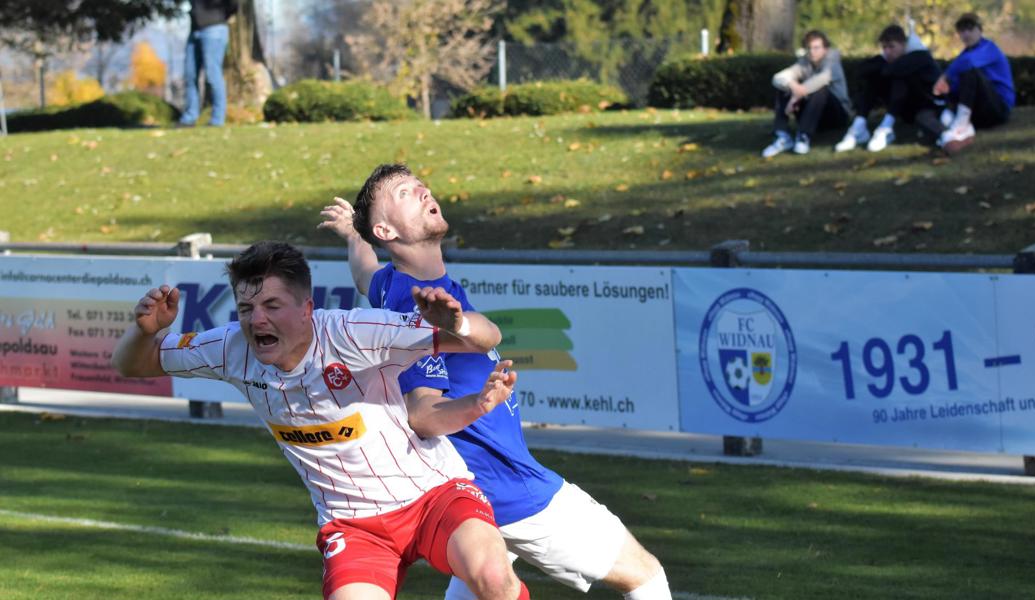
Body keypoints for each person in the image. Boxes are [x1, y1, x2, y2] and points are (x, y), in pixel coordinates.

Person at [318, 164, 672, 600]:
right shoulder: (412, 313)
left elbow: (364, 274)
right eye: (406, 192)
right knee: (645, 575)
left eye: (420, 184)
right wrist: (481, 404)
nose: (423, 189)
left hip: (470, 498)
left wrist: (353, 235)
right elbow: (422, 415)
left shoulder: (399, 284)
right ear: (387, 229)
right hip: (506, 488)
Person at [111, 241, 530, 600]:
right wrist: (143, 330)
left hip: (433, 495)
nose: (257, 319)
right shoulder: (230, 347)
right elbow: (133, 363)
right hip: (353, 524)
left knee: (493, 577)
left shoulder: (354, 332)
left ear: (307, 307)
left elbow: (486, 336)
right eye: (246, 307)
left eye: (272, 305)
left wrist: (455, 321)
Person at [835, 24, 943, 153]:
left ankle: (886, 128)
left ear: (903, 44)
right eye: (884, 47)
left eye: (891, 47)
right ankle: (859, 125)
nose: (887, 52)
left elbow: (891, 70)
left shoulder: (920, 56)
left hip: (927, 107)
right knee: (873, 79)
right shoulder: (891, 59)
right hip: (905, 108)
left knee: (899, 77)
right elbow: (862, 71)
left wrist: (881, 66)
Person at [933, 12, 1015, 154]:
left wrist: (944, 76)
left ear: (980, 29)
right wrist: (946, 88)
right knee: (950, 88)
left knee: (970, 71)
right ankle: (962, 128)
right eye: (962, 30)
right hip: (979, 111)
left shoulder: (990, 48)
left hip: (998, 108)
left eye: (970, 28)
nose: (966, 34)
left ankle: (960, 124)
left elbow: (968, 63)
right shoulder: (963, 55)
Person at [762, 30, 852, 158]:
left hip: (837, 115)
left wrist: (795, 98)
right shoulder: (804, 63)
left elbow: (821, 80)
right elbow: (778, 78)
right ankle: (782, 135)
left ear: (825, 49)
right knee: (785, 87)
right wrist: (792, 85)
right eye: (809, 48)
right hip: (813, 113)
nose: (812, 51)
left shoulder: (833, 63)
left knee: (820, 89)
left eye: (816, 48)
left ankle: (803, 136)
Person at [178, 0, 236, 127]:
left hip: (215, 28)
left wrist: (221, 17)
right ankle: (189, 117)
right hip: (195, 29)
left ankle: (217, 119)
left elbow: (233, 4)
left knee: (212, 75)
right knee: (190, 75)